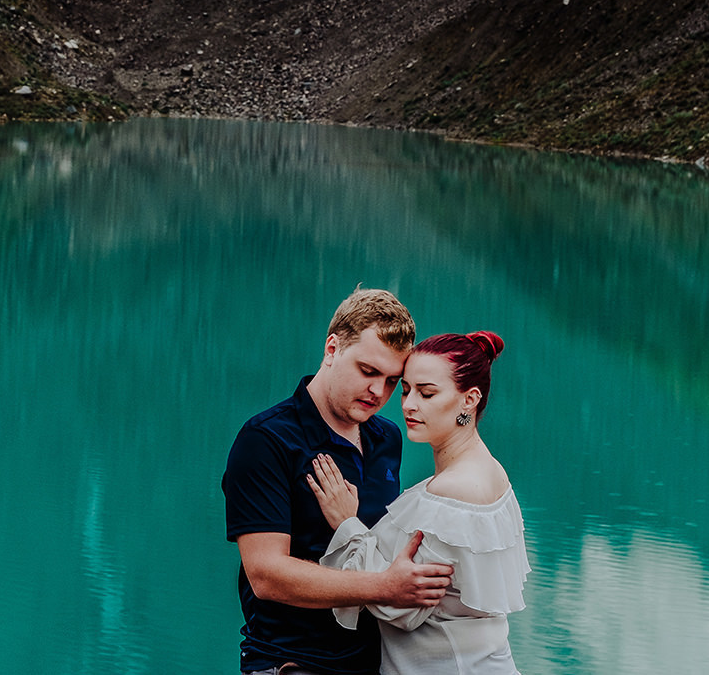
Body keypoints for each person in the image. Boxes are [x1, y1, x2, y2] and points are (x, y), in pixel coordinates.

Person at [223, 288, 455, 675]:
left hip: (374, 662)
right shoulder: (266, 440)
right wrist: (385, 586)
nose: (378, 392)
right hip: (291, 664)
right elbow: (266, 576)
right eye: (367, 371)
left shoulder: (387, 438)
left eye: (391, 380)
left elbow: (374, 543)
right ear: (332, 349)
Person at [308, 331, 529, 675]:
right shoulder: (488, 471)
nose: (409, 405)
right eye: (407, 389)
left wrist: (347, 524)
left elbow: (404, 607)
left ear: (469, 400)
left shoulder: (452, 492)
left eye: (427, 393)